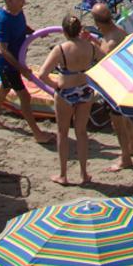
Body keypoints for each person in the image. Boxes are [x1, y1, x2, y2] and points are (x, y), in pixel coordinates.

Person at [38, 13, 98, 185]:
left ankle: (63, 175)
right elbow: (106, 60)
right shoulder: (90, 47)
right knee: (81, 132)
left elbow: (42, 74)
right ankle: (84, 174)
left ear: (64, 32)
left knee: (62, 133)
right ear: (80, 30)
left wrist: (55, 85)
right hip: (85, 90)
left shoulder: (61, 49)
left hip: (65, 92)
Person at [0, 0, 50, 143]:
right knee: (25, 96)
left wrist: (34, 33)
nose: (24, 2)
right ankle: (37, 133)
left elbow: (22, 26)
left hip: (16, 58)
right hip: (8, 64)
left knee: (5, 86)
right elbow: (3, 50)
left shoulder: (17, 11)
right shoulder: (2, 20)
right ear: (9, 0)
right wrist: (21, 69)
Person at [88, 3, 133, 171]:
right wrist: (91, 40)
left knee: (117, 123)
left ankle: (125, 158)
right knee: (125, 118)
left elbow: (105, 62)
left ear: (97, 23)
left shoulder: (110, 41)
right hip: (126, 83)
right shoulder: (117, 30)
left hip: (116, 87)